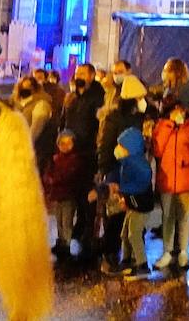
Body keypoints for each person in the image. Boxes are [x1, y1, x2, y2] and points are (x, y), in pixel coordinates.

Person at [96, 75, 148, 271]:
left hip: (135, 171)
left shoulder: (141, 117)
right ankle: (110, 254)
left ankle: (131, 254)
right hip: (117, 170)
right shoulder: (114, 117)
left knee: (134, 213)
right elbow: (105, 144)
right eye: (140, 97)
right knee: (116, 214)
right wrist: (105, 168)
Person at [152, 97, 189, 272]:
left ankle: (183, 252)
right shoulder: (161, 127)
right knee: (167, 217)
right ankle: (167, 251)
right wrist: (169, 125)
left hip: (185, 177)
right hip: (167, 179)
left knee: (184, 217)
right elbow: (158, 150)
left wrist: (188, 161)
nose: (178, 112)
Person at [61, 64, 105, 257]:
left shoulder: (97, 96)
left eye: (82, 73)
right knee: (77, 194)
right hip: (72, 153)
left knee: (88, 195)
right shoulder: (72, 97)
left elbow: (97, 124)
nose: (78, 76)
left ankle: (89, 233)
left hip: (88, 153)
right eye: (77, 73)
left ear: (92, 76)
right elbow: (65, 121)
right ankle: (78, 229)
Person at [104, 125, 154, 277]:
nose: (118, 149)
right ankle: (126, 260)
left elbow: (140, 183)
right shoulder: (127, 163)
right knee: (124, 233)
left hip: (140, 206)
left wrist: (122, 189)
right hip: (133, 204)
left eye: (122, 146)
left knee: (134, 234)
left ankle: (142, 264)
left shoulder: (139, 165)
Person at [42, 130, 90, 261]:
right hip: (57, 196)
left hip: (68, 196)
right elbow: (47, 173)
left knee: (66, 222)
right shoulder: (55, 159)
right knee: (59, 221)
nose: (65, 146)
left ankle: (68, 245)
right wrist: (49, 180)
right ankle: (61, 242)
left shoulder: (75, 160)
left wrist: (54, 179)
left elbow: (68, 175)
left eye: (68, 143)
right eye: (62, 143)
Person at [13, 75, 57, 172]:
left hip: (36, 149)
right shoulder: (16, 103)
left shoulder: (41, 104)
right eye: (23, 87)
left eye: (29, 87)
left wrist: (25, 144)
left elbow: (36, 128)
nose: (25, 89)